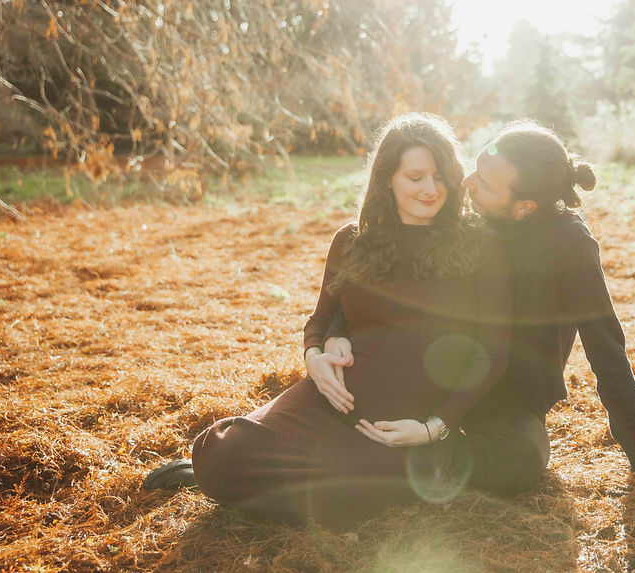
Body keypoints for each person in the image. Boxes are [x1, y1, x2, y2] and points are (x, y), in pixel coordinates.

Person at [142, 113, 513, 529]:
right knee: (223, 454)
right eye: (415, 177)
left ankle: (273, 481)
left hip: (401, 426)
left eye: (441, 177)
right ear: (387, 178)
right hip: (332, 401)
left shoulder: (479, 245)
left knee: (349, 494)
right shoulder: (352, 241)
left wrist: (435, 428)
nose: (430, 189)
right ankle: (226, 474)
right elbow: (319, 319)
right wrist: (314, 357)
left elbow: (495, 353)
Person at [320, 119, 635, 498]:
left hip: (505, 396)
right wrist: (336, 328)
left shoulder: (567, 244)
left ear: (524, 207)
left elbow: (605, 346)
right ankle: (396, 445)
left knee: (517, 462)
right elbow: (380, 281)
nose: (466, 184)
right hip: (433, 373)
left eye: (484, 184)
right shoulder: (462, 217)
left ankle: (425, 452)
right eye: (474, 169)